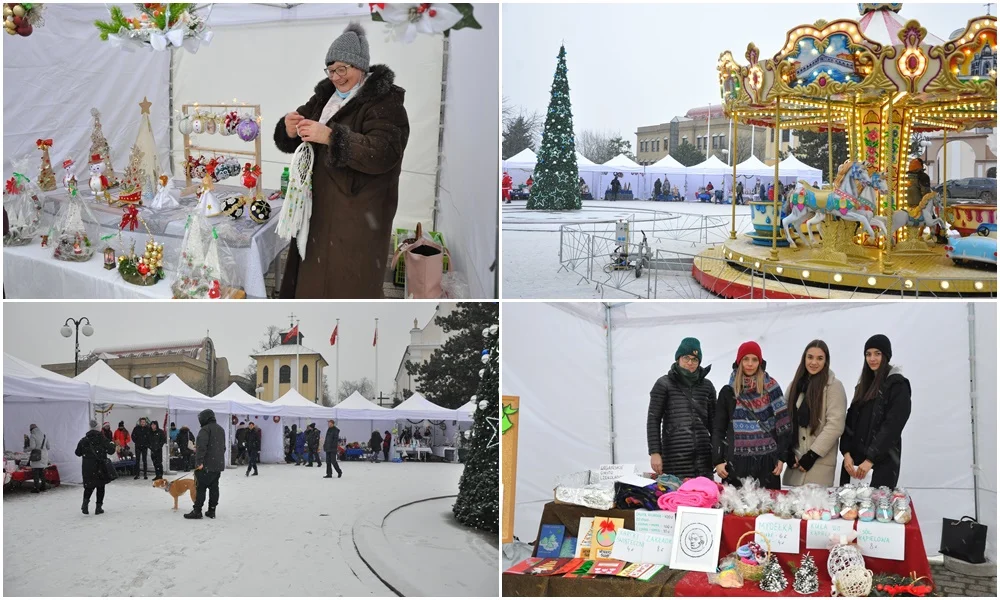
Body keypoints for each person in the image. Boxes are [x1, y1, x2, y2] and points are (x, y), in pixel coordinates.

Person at [274, 22, 410, 299]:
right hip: (317, 207)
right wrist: (287, 129)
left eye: (342, 69)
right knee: (312, 273)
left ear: (361, 66)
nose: (336, 77)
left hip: (357, 211)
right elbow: (301, 124)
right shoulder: (325, 96)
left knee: (347, 279)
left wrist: (332, 137)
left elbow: (384, 152)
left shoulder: (385, 102)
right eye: (331, 69)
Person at [712, 341, 791, 490]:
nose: (750, 364)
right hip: (736, 463)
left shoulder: (771, 389)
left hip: (767, 463)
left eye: (754, 359)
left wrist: (781, 458)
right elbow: (718, 429)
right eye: (745, 359)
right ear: (739, 362)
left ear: (760, 362)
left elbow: (784, 425)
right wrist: (717, 460)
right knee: (737, 510)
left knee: (767, 510)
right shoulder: (728, 392)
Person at [839, 335, 912, 488]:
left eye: (877, 353)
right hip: (853, 464)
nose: (872, 358)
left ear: (886, 356)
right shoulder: (863, 386)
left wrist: (871, 459)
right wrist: (846, 454)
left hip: (882, 464)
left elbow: (892, 426)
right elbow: (850, 421)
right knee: (848, 510)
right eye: (868, 354)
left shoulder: (898, 385)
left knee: (874, 509)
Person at [646, 337, 717, 479]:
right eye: (686, 358)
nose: (690, 363)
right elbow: (653, 419)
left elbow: (714, 424)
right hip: (674, 459)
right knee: (676, 499)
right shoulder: (664, 384)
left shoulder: (707, 386)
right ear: (678, 358)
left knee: (703, 498)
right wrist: (655, 453)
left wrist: (718, 454)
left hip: (703, 461)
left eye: (695, 359)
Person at [782, 341, 847, 488]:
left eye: (819, 358)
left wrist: (812, 455)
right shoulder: (794, 386)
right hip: (794, 466)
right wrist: (786, 452)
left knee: (815, 510)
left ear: (826, 361)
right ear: (804, 358)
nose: (814, 362)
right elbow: (783, 420)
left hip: (818, 466)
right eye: (810, 357)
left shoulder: (834, 386)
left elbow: (835, 425)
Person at [185, 409, 226, 520]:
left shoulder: (205, 430)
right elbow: (223, 448)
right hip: (217, 465)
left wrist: (199, 462)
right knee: (214, 488)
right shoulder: (221, 429)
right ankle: (212, 510)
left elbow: (201, 448)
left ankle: (197, 511)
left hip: (205, 465)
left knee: (201, 488)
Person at [76, 420, 116, 515]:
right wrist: (112, 444)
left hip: (87, 467)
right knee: (100, 486)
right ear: (98, 429)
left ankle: (85, 504)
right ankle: (98, 508)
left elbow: (77, 453)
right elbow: (111, 451)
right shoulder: (102, 438)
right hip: (100, 466)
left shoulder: (84, 440)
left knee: (89, 487)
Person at [27, 424, 50, 493]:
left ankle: (36, 488)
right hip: (44, 455)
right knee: (42, 472)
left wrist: (26, 449)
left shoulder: (33, 436)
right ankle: (43, 486)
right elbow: (48, 447)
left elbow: (32, 447)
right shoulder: (44, 435)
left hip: (37, 455)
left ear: (31, 430)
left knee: (36, 472)